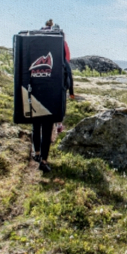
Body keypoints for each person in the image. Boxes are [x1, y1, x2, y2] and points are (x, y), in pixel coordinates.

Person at [31, 19, 74, 172]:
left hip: (35, 89)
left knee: (36, 124)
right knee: (47, 127)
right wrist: (70, 91)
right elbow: (67, 66)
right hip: (52, 91)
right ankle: (43, 161)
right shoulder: (60, 42)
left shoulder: (35, 41)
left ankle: (36, 153)